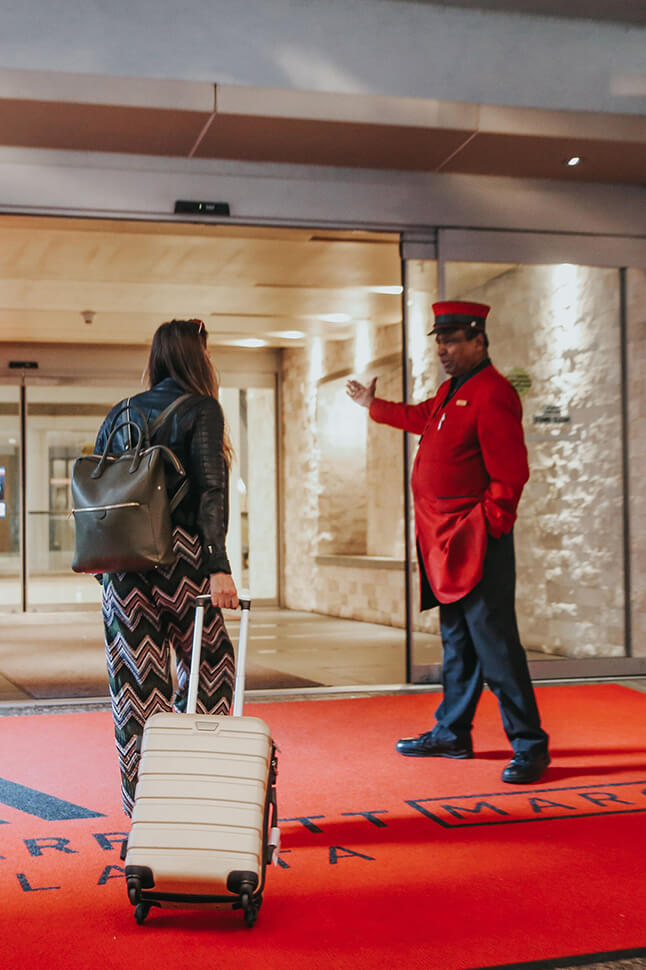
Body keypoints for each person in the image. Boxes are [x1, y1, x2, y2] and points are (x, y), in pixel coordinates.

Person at [346, 300, 549, 784]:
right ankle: (452, 733)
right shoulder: (449, 392)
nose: (444, 349)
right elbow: (419, 418)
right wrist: (370, 405)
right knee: (457, 642)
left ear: (479, 340)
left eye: (454, 340)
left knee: (496, 647)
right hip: (443, 542)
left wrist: (489, 525)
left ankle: (529, 745)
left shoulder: (493, 393)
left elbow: (510, 475)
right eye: (440, 341)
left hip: (475, 540)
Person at [94, 318, 239, 815]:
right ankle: (194, 792)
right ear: (197, 358)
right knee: (211, 671)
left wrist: (103, 560)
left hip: (121, 566)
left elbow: (99, 492)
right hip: (180, 559)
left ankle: (147, 813)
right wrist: (219, 566)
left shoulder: (120, 413)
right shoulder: (202, 408)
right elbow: (211, 492)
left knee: (136, 690)